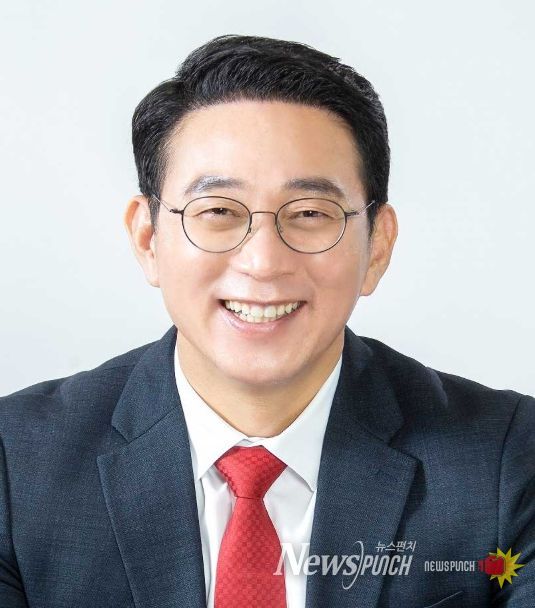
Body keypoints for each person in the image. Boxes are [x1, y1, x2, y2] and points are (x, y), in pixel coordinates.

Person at [0, 34, 533, 608]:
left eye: (309, 213)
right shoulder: (16, 462)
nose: (263, 262)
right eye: (218, 211)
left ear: (377, 245)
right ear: (148, 238)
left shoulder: (508, 458)